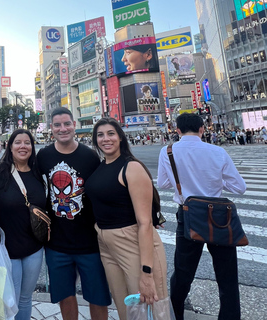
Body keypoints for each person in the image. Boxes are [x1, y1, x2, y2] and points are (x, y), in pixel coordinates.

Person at [157, 113, 246, 320]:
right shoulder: (217, 151)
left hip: (188, 216)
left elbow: (163, 184)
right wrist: (216, 182)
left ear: (177, 130)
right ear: (202, 129)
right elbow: (240, 187)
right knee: (227, 276)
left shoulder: (168, 151)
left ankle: (175, 315)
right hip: (219, 218)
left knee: (182, 272)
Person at [85, 118, 168, 320]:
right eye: (100, 135)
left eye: (111, 133)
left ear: (120, 137)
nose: (106, 139)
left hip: (132, 241)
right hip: (105, 243)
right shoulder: (101, 167)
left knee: (149, 308)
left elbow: (145, 222)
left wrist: (147, 272)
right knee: (127, 309)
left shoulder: (131, 167)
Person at [37, 108, 111, 320]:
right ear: (51, 128)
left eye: (67, 124)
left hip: (90, 241)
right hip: (57, 242)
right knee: (64, 294)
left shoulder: (90, 156)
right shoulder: (44, 156)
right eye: (57, 125)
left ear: (74, 124)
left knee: (97, 296)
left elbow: (105, 189)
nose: (63, 129)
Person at [0, 129, 46, 320]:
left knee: (25, 299)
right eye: (18, 142)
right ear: (10, 147)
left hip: (34, 248)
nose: (23, 146)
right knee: (7, 301)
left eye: (27, 142)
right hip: (5, 249)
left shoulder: (38, 173)